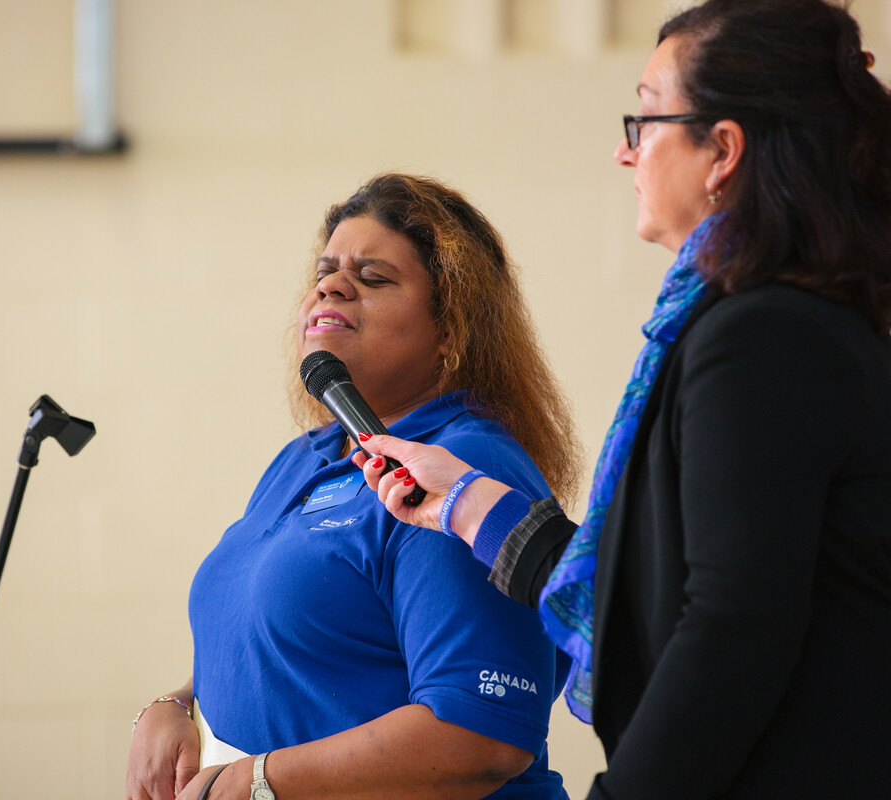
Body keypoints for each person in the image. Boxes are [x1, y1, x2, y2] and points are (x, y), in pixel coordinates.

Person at [355, 2, 891, 798]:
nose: (623, 151)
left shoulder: (762, 336)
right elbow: (653, 589)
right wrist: (463, 503)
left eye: (645, 119)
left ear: (723, 152)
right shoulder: (774, 327)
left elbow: (729, 630)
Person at [126, 173, 584, 800]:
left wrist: (262, 781)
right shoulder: (303, 459)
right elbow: (293, 647)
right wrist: (175, 704)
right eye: (325, 272)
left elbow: (480, 737)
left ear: (452, 332)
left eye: (373, 278)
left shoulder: (461, 464)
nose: (330, 285)